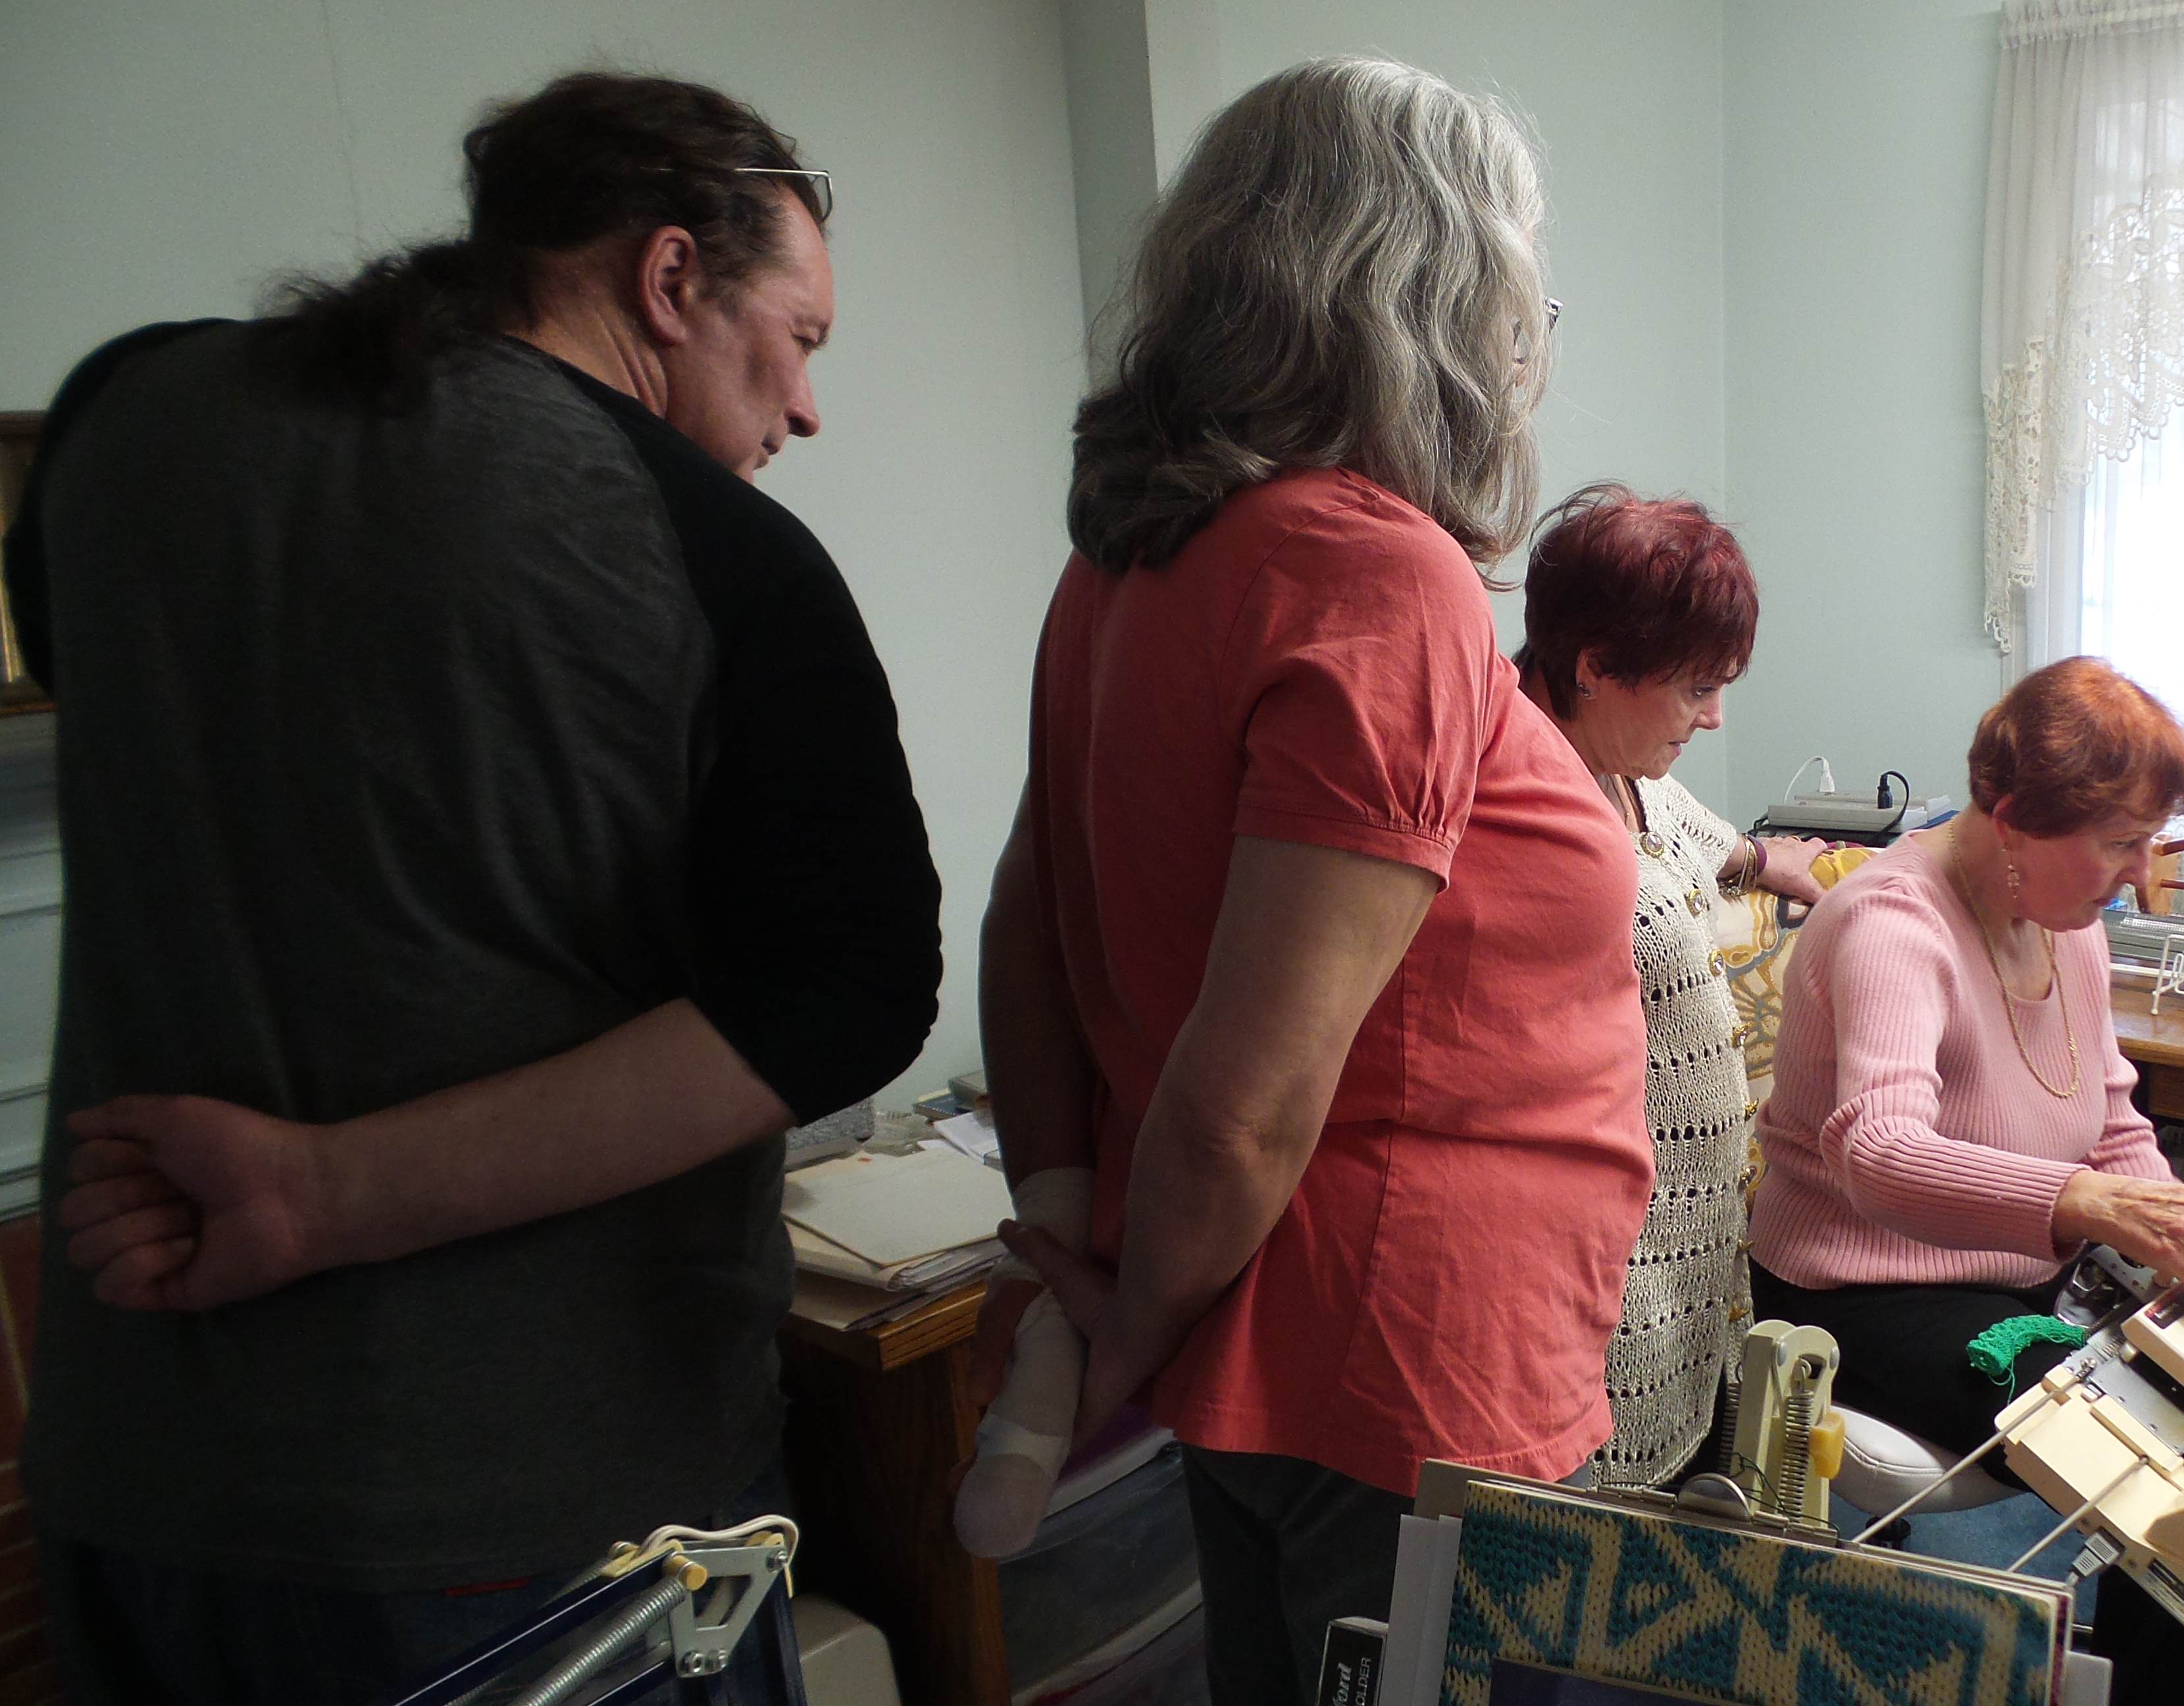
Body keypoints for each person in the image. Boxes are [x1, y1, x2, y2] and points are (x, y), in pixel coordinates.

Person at [2, 72, 940, 1705]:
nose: (804, 411)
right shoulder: (713, 550)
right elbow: (848, 995)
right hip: (527, 1528)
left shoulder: (117, 418)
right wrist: (322, 1193)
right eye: (798, 340)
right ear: (668, 278)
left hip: (131, 1484)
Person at [977, 59, 1650, 1706]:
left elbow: (1028, 923)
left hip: (1281, 1336)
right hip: (1408, 1366)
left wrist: (1074, 1228)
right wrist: (1128, 1326)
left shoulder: (1128, 561)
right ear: (1438, 296)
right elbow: (1244, 1106)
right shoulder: (1374, 571)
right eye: (1524, 293)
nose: (1528, 339)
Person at [1746, 656, 2184, 1706]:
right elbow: (1877, 1153)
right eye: (2122, 842)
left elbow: (2110, 1123)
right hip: (1865, 1295)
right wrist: (2092, 1206)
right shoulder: (1892, 926)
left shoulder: (2069, 930)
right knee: (2176, 1464)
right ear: (2014, 822)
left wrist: (2175, 1226)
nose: (2142, 875)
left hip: (2017, 1274)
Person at [1510, 483, 1828, 1487]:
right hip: (1609, 1274)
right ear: (1596, 665)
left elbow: (1701, 839)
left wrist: (1773, 861)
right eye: (1696, 689)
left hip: (1697, 1257)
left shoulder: (1630, 772)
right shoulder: (1521, 797)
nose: (1716, 716)